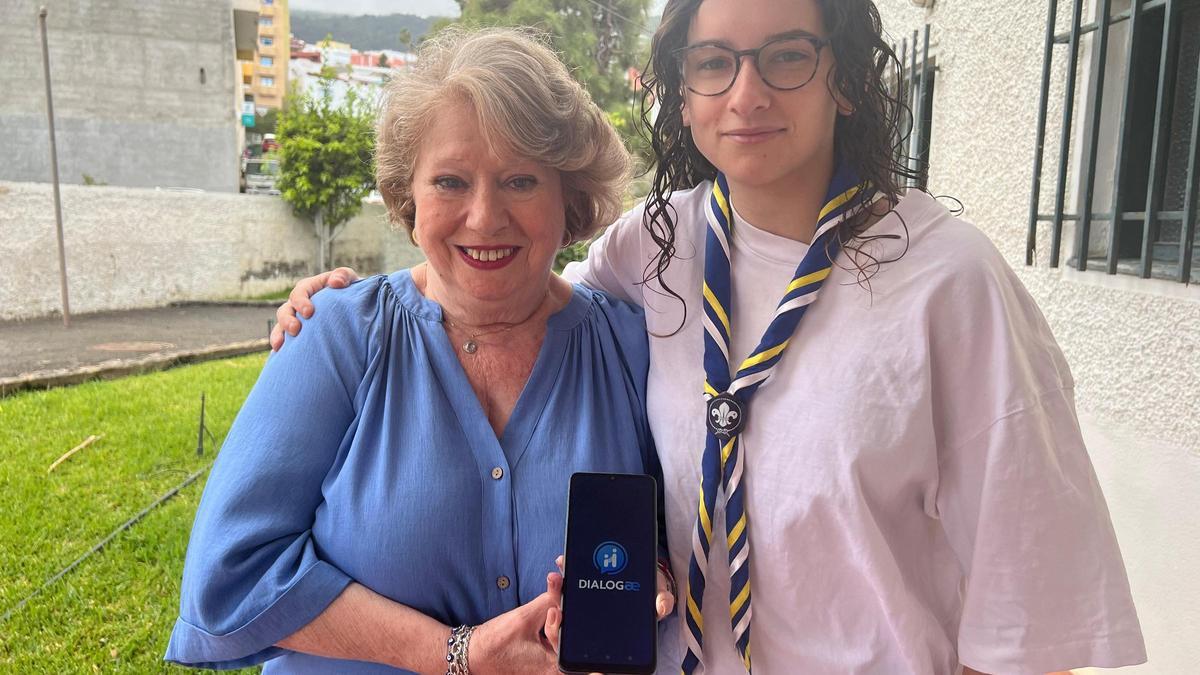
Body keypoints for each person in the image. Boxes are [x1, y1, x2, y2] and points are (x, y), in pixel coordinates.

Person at [274, 1, 1148, 673]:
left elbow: (1031, 607)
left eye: (787, 57)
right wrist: (356, 305)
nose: (747, 92)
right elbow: (507, 291)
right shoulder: (652, 247)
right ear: (682, 92)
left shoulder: (952, 283)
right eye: (714, 62)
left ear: (843, 78)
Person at [165, 27, 673, 674]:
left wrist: (649, 572)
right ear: (408, 195)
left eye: (520, 180)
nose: (485, 217)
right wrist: (456, 653)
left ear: (568, 197)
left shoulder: (629, 345)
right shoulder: (337, 335)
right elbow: (228, 577)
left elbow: (676, 523)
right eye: (451, 182)